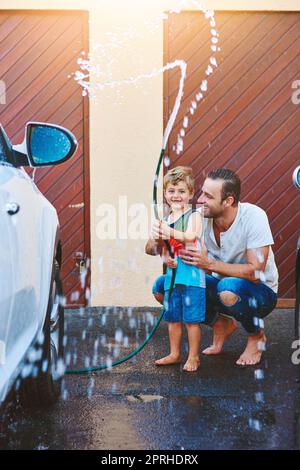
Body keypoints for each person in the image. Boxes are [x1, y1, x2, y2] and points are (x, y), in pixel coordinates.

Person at [146, 168, 278, 366]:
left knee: (229, 289)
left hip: (260, 291)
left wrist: (209, 264)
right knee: (161, 287)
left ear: (228, 201)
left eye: (208, 196)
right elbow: (151, 249)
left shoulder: (254, 217)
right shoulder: (198, 216)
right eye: (201, 192)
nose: (199, 200)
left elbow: (255, 272)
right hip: (219, 284)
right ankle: (221, 323)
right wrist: (158, 235)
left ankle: (256, 336)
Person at [153, 166, 206, 372]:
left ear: (191, 194)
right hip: (172, 278)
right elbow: (164, 251)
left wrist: (168, 230)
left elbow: (191, 236)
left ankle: (194, 357)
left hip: (192, 278)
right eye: (171, 191)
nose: (176, 196)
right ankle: (175, 353)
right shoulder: (165, 221)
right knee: (173, 318)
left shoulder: (194, 216)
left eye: (182, 191)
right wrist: (166, 259)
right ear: (165, 193)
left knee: (192, 321)